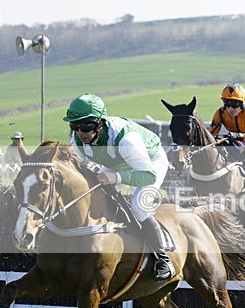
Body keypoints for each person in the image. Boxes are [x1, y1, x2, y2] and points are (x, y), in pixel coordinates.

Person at [63, 93, 175, 280]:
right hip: (119, 162)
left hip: (150, 163)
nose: (80, 132)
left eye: (86, 126)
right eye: (74, 126)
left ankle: (163, 259)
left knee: (138, 205)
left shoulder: (126, 139)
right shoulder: (77, 141)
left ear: (100, 124)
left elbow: (148, 175)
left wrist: (115, 177)